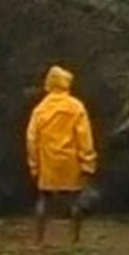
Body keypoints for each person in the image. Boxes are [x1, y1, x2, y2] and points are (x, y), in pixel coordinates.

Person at [26, 65, 97, 245]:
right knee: (74, 200)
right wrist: (87, 162)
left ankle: (39, 239)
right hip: (70, 161)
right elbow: (84, 137)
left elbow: (31, 139)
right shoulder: (76, 107)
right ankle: (75, 238)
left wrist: (34, 165)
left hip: (47, 161)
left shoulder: (40, 109)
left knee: (44, 198)